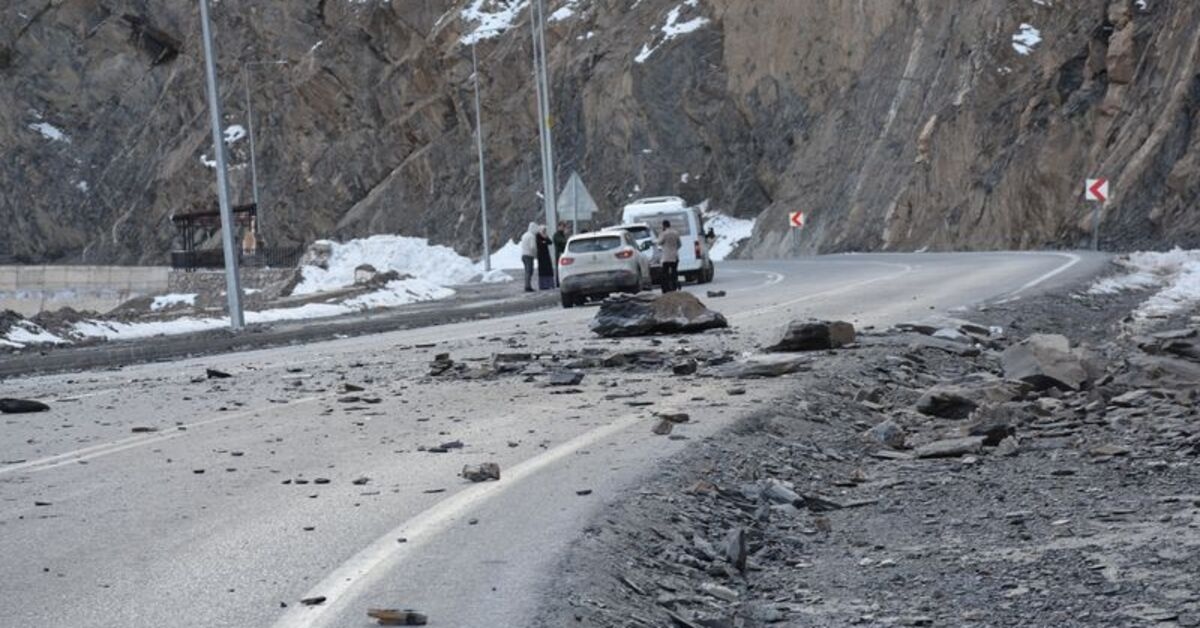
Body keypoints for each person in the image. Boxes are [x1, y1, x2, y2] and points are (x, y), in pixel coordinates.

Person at [657, 219, 681, 293]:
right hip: (675, 256)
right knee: (674, 272)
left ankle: (666, 289)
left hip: (666, 257)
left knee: (665, 274)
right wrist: (675, 248)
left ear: (664, 226)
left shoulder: (664, 234)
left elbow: (659, 242)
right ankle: (674, 287)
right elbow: (679, 244)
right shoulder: (676, 233)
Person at [519, 222, 538, 292]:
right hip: (529, 255)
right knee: (529, 271)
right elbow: (533, 247)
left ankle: (527, 285)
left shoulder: (524, 235)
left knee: (527, 271)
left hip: (523, 255)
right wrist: (535, 254)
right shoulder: (532, 236)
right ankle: (528, 286)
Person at [535, 225, 555, 290]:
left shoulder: (545, 236)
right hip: (541, 256)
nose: (544, 231)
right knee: (542, 271)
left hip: (546, 255)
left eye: (545, 230)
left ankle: (549, 284)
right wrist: (544, 242)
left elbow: (550, 242)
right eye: (543, 230)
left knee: (548, 270)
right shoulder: (538, 236)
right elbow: (540, 244)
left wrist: (545, 239)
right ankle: (543, 285)